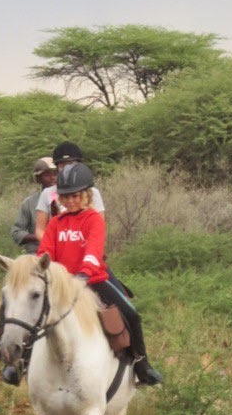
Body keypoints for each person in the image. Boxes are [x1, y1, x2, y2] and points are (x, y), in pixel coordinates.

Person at [37, 161, 163, 386]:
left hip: (92, 280)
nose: (71, 201)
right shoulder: (55, 223)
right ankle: (18, 363)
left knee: (132, 315)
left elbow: (94, 250)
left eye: (76, 196)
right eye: (66, 197)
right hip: (62, 284)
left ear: (86, 195)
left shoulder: (93, 219)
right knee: (27, 311)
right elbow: (45, 251)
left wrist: (84, 274)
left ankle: (142, 364)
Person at [33, 141, 105, 241]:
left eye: (71, 164)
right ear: (57, 167)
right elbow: (40, 230)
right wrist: (53, 247)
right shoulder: (47, 193)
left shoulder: (92, 192)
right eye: (62, 165)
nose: (67, 169)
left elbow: (100, 226)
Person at [10, 157, 57, 253]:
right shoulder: (29, 203)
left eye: (55, 173)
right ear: (38, 178)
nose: (53, 177)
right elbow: (16, 233)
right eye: (47, 174)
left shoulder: (70, 199)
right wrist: (39, 236)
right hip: (37, 254)